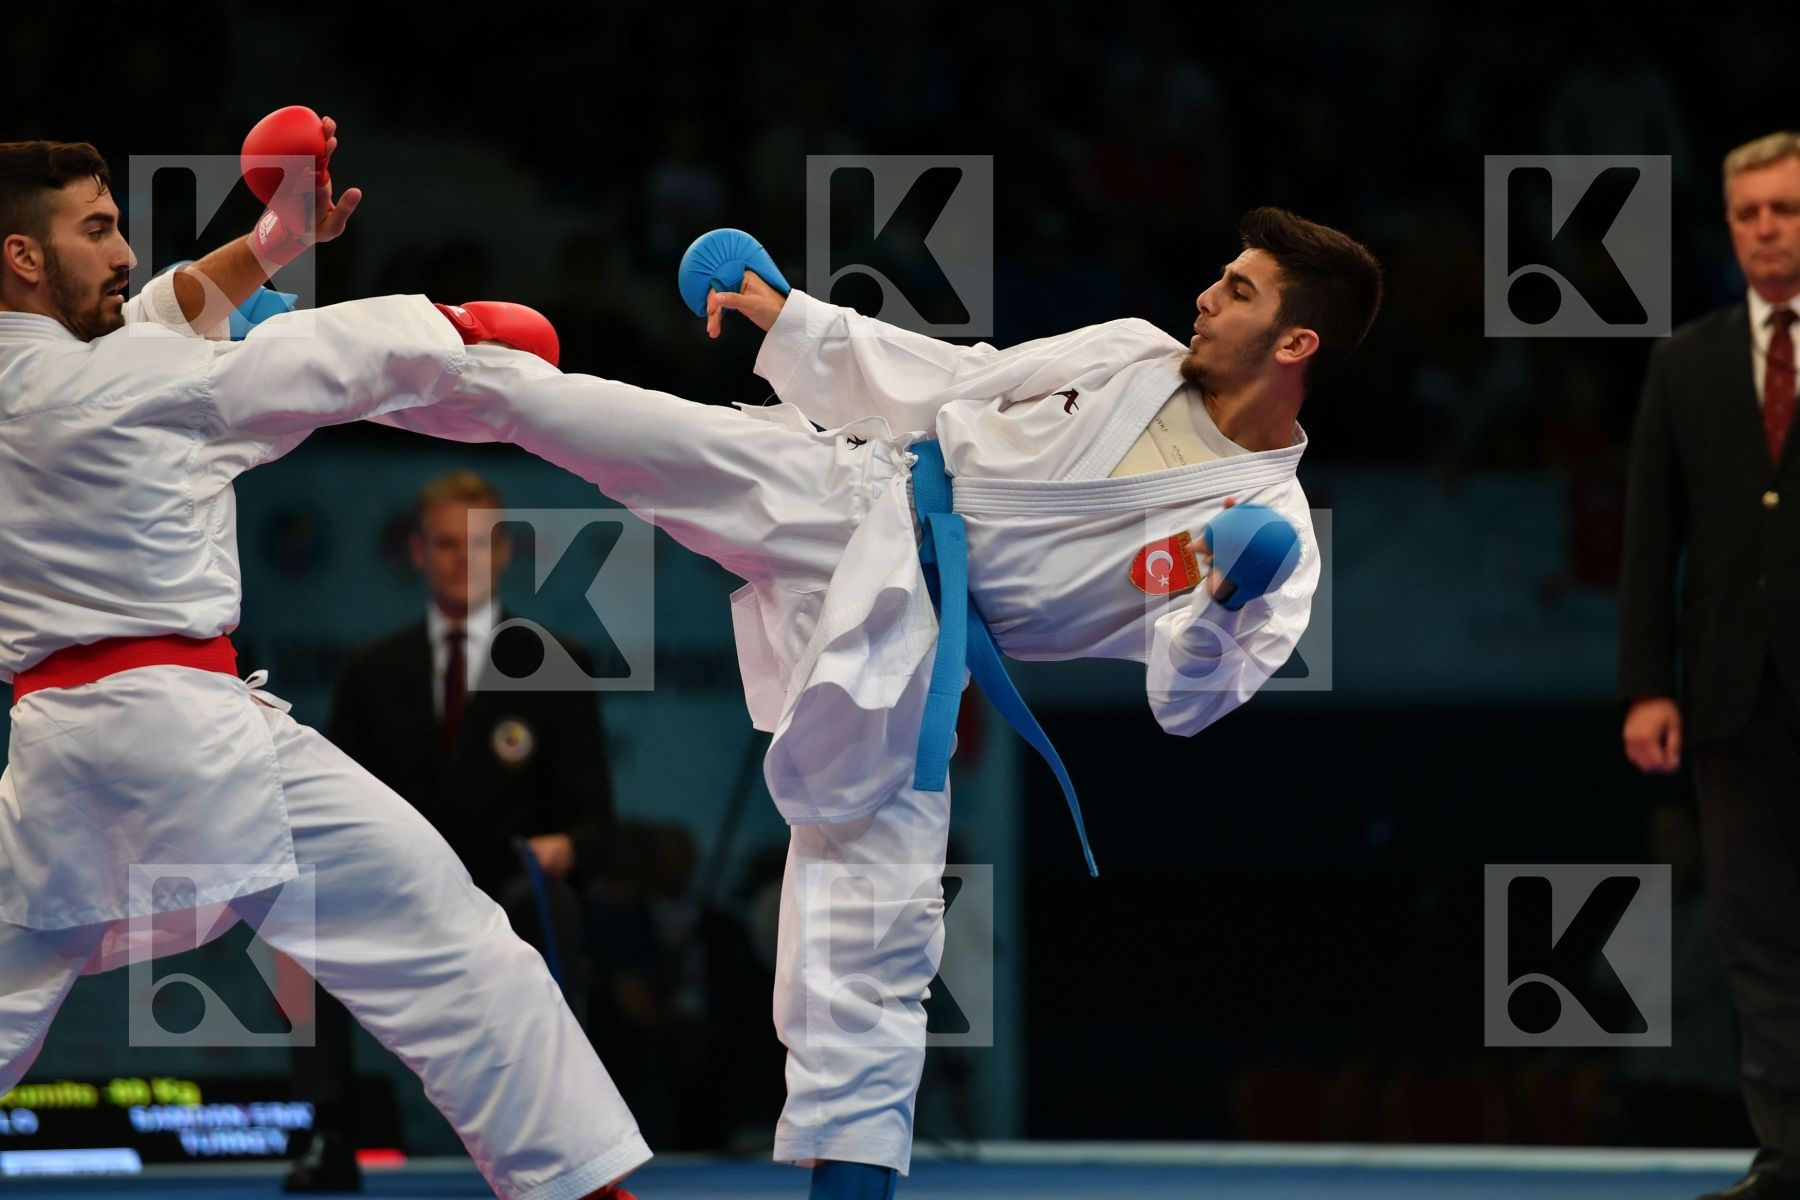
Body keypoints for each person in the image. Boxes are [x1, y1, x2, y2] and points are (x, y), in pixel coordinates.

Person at [379, 206, 1383, 1198]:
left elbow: (1189, 702)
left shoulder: (1269, 533)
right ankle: (331, 355)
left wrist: (1218, 600)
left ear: (1298, 341)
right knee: (580, 414)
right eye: (1222, 274)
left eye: (1240, 291)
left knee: (874, 947)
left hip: (915, 645)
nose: (1206, 296)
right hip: (851, 491)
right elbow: (956, 378)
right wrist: (791, 317)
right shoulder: (1132, 352)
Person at [0, 134, 645, 1200]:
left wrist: (272, 242)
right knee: (449, 944)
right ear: (24, 256)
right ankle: (587, 1189)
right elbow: (312, 362)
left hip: (56, 760)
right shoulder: (128, 382)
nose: (125, 249)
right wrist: (455, 328)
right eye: (99, 228)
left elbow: (158, 316)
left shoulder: (62, 370)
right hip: (190, 738)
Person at [286, 468, 618, 1192]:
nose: (460, 561)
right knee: (298, 918)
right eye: (443, 545)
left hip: (505, 886)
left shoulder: (557, 666)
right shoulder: (372, 672)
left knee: (553, 908)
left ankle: (571, 1137)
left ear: (503, 554)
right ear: (417, 552)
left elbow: (594, 821)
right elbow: (330, 801)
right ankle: (326, 1134)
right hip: (398, 887)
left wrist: (564, 847)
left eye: (477, 546)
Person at [1620, 130, 1800, 1200]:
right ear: (1727, 226)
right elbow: (1651, 538)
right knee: (1760, 939)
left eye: (1785, 208)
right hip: (1733, 691)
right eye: (1749, 214)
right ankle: (1788, 1161)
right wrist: (1647, 683)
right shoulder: (1684, 360)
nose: (1767, 229)